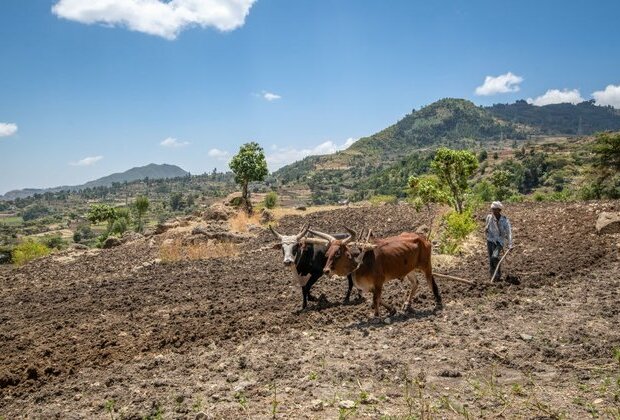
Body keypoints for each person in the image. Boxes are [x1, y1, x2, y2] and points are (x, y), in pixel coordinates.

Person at [485, 201, 513, 281]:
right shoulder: (489, 217)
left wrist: (510, 244)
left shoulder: (505, 220)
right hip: (490, 240)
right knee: (491, 258)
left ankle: (498, 273)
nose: (493, 211)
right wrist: (486, 229)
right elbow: (487, 227)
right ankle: (492, 276)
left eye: (495, 209)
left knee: (495, 256)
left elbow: (509, 232)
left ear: (499, 210)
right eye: (492, 209)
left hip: (499, 242)